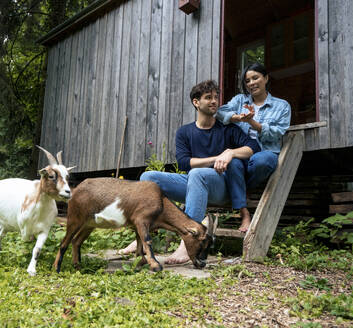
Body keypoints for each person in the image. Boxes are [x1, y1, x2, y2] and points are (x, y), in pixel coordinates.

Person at [118, 80, 261, 264]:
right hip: (194, 183)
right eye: (208, 98)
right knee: (148, 178)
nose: (214, 101)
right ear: (196, 102)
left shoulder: (228, 129)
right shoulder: (185, 132)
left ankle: (188, 243)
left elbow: (253, 147)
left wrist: (230, 153)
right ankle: (144, 235)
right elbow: (185, 163)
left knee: (197, 174)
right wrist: (216, 158)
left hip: (222, 187)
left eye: (216, 98)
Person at [216, 63, 291, 232]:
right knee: (233, 163)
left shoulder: (282, 106)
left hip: (264, 151)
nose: (251, 83)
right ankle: (244, 214)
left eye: (255, 78)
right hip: (242, 151)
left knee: (264, 161)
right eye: (247, 80)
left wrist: (252, 122)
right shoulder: (239, 100)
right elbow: (220, 113)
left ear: (266, 78)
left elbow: (276, 134)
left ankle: (241, 187)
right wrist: (238, 117)